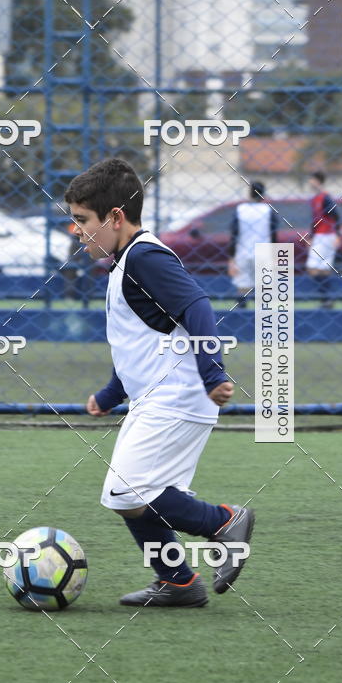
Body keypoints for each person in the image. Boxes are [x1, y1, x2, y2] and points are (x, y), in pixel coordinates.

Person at [65, 157, 254, 607]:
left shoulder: (144, 257)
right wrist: (111, 394)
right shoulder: (125, 262)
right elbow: (141, 342)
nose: (76, 231)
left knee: (126, 491)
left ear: (115, 217)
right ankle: (179, 583)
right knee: (131, 496)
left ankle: (224, 522)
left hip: (179, 396)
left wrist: (213, 372)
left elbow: (197, 306)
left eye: (82, 220)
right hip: (159, 397)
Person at [228, 181, 277, 308]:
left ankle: (241, 310)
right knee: (264, 286)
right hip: (263, 252)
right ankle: (263, 312)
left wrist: (232, 257)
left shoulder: (240, 209)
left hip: (243, 251)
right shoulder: (268, 210)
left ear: (249, 193)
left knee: (242, 286)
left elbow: (234, 235)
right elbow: (273, 235)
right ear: (263, 194)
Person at [306, 171, 340, 309]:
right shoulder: (316, 198)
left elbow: (335, 216)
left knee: (313, 267)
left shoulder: (325, 198)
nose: (309, 182)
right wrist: (311, 236)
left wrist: (338, 234)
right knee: (323, 268)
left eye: (311, 179)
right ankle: (326, 300)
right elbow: (315, 220)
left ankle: (325, 298)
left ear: (317, 181)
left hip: (326, 235)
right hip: (320, 235)